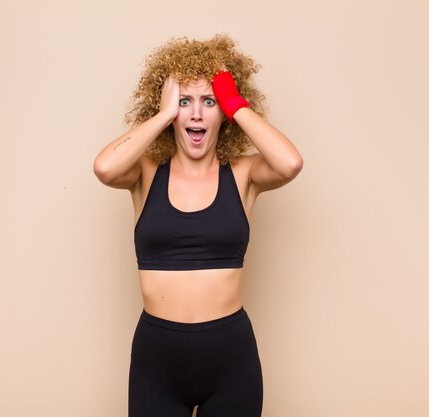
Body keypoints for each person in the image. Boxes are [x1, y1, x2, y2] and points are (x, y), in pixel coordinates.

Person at [93, 34, 303, 417]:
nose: (195, 115)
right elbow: (105, 168)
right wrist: (160, 115)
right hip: (156, 360)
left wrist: (234, 102)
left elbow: (290, 163)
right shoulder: (144, 173)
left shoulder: (243, 175)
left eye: (209, 101)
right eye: (184, 102)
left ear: (222, 112)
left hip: (231, 359)